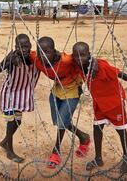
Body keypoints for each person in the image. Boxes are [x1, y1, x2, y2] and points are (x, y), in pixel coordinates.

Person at [72, 42, 127, 174]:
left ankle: (126, 158)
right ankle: (98, 159)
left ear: (89, 55)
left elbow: (121, 74)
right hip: (99, 103)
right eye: (76, 56)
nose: (79, 58)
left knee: (120, 130)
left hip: (114, 103)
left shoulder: (102, 66)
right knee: (97, 129)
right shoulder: (79, 66)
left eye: (83, 55)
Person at [29, 37, 90, 169]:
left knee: (62, 123)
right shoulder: (36, 58)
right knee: (59, 121)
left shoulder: (67, 60)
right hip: (57, 90)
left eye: (47, 52)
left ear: (54, 50)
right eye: (41, 52)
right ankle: (83, 137)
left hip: (72, 90)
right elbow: (25, 54)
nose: (44, 56)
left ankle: (56, 152)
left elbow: (84, 63)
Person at [0, 34, 40, 163]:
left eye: (27, 46)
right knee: (11, 122)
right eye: (21, 47)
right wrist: (8, 58)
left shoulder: (34, 58)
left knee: (18, 121)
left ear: (30, 46)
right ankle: (10, 151)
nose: (25, 49)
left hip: (21, 95)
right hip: (9, 94)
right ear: (16, 47)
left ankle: (5, 142)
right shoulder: (13, 58)